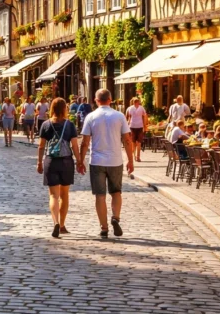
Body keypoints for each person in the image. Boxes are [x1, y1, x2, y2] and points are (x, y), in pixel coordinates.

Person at [77, 89, 133, 239]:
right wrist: (131, 160)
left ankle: (104, 228)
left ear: (96, 100)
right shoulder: (119, 116)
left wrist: (81, 161)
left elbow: (85, 142)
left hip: (97, 161)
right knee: (116, 192)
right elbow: (127, 140)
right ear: (110, 99)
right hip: (115, 160)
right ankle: (115, 217)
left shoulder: (91, 116)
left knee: (100, 195)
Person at [38, 97, 79, 239]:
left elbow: (41, 146)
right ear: (64, 109)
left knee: (53, 195)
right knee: (64, 195)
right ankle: (62, 225)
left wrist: (39, 162)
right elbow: (74, 145)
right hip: (66, 161)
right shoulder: (70, 125)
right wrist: (79, 161)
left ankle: (55, 221)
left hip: (51, 161)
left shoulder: (46, 125)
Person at [125, 97, 147, 166]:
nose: (137, 103)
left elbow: (144, 116)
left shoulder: (140, 108)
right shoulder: (130, 108)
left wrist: (144, 125)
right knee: (134, 142)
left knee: (137, 142)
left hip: (137, 126)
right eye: (136, 102)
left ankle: (137, 156)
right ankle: (135, 156)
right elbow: (128, 117)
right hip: (133, 126)